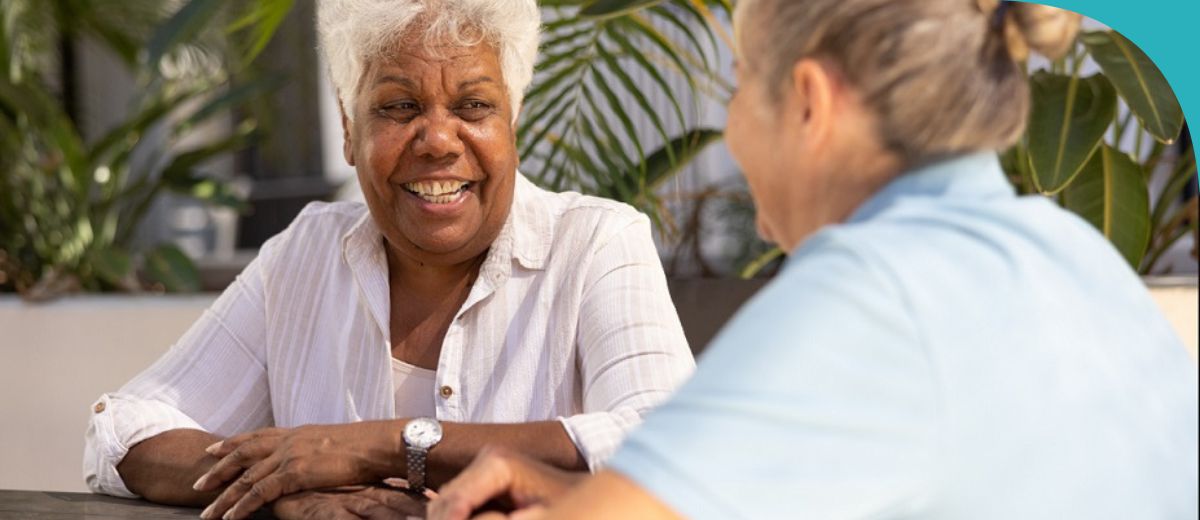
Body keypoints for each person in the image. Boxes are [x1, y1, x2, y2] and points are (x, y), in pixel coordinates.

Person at [428, 0, 1200, 518]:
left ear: (807, 102)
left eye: (737, 85)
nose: (730, 128)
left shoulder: (875, 286)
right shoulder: (1078, 258)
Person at [82, 1, 695, 519]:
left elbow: (666, 443)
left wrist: (379, 446)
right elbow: (123, 431)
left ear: (515, 120)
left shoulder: (596, 244)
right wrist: (283, 487)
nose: (438, 140)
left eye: (474, 106)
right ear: (349, 129)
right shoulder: (307, 252)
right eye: (400, 107)